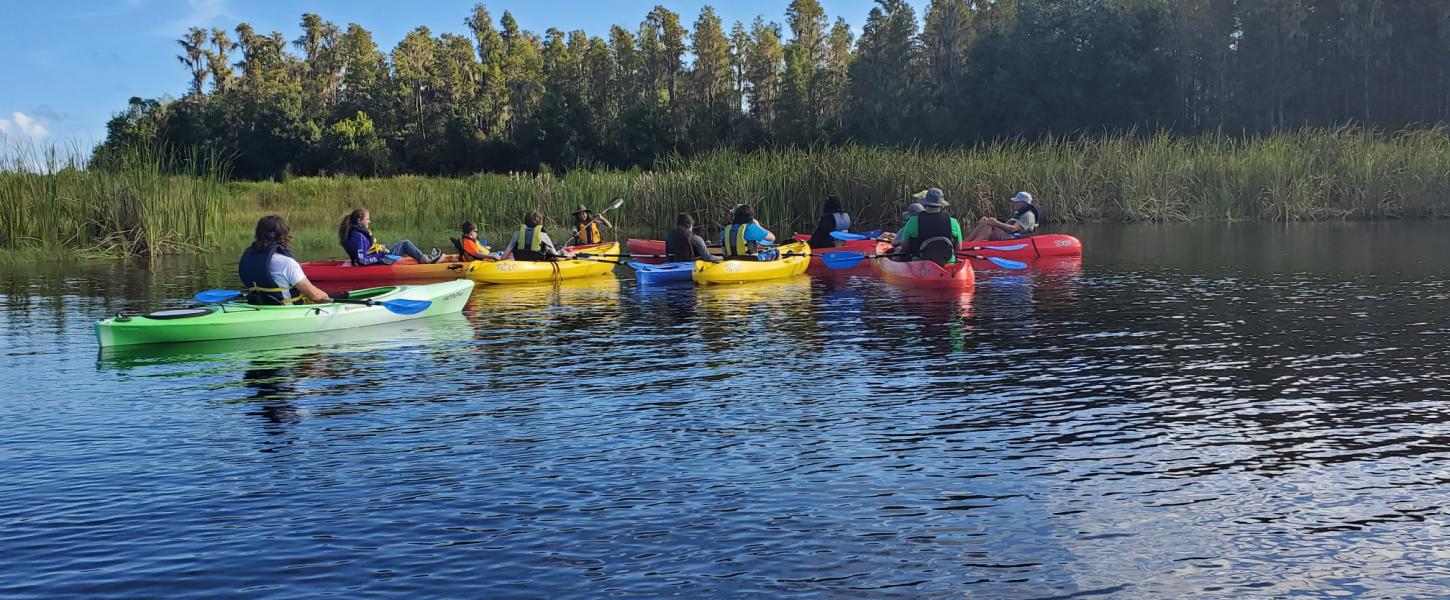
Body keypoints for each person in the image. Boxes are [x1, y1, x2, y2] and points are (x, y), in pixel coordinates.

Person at [239, 215, 331, 305]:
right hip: (288, 312)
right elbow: (314, 295)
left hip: (258, 306)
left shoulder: (248, 260)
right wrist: (326, 297)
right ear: (283, 236)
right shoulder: (287, 263)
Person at [338, 208, 441, 265]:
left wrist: (381, 249)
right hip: (381, 262)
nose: (370, 221)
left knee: (399, 245)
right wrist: (380, 255)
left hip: (379, 259)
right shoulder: (358, 236)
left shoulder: (357, 233)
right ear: (359, 221)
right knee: (405, 244)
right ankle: (427, 260)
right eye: (367, 219)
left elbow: (366, 251)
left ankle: (422, 257)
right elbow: (362, 260)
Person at [896, 188, 963, 265]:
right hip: (948, 264)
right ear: (942, 206)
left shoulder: (912, 221)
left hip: (920, 264)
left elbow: (905, 248)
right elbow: (958, 248)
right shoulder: (953, 222)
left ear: (925, 205)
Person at [966, 191, 1041, 241]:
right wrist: (991, 221)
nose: (1014, 203)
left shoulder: (1028, 215)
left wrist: (995, 223)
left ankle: (973, 245)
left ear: (1024, 203)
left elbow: (1013, 229)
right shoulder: (1020, 213)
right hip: (1008, 235)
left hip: (1014, 238)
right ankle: (965, 243)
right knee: (986, 222)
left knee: (988, 225)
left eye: (1016, 202)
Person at [501, 211, 573, 260]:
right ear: (539, 223)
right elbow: (557, 257)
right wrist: (568, 256)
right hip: (538, 262)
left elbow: (504, 257)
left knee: (559, 246)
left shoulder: (517, 234)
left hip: (520, 260)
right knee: (559, 249)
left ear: (525, 222)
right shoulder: (543, 235)